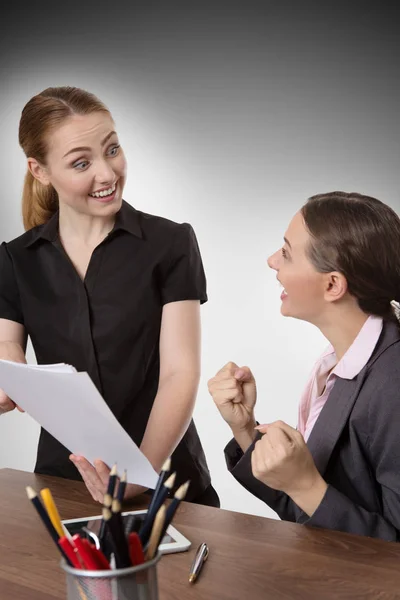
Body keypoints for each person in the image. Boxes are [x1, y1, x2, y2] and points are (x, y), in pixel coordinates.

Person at [0, 86, 219, 507]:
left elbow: (180, 372)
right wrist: (8, 372)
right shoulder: (16, 259)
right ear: (39, 170)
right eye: (82, 162)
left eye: (112, 149)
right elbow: (8, 345)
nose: (108, 173)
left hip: (165, 479)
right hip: (66, 482)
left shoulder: (170, 243)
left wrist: (140, 472)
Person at [208, 191, 400, 540]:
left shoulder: (393, 383)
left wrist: (307, 484)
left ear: (332, 285)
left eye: (286, 253)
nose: (271, 261)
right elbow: (306, 509)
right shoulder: (338, 362)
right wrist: (246, 430)